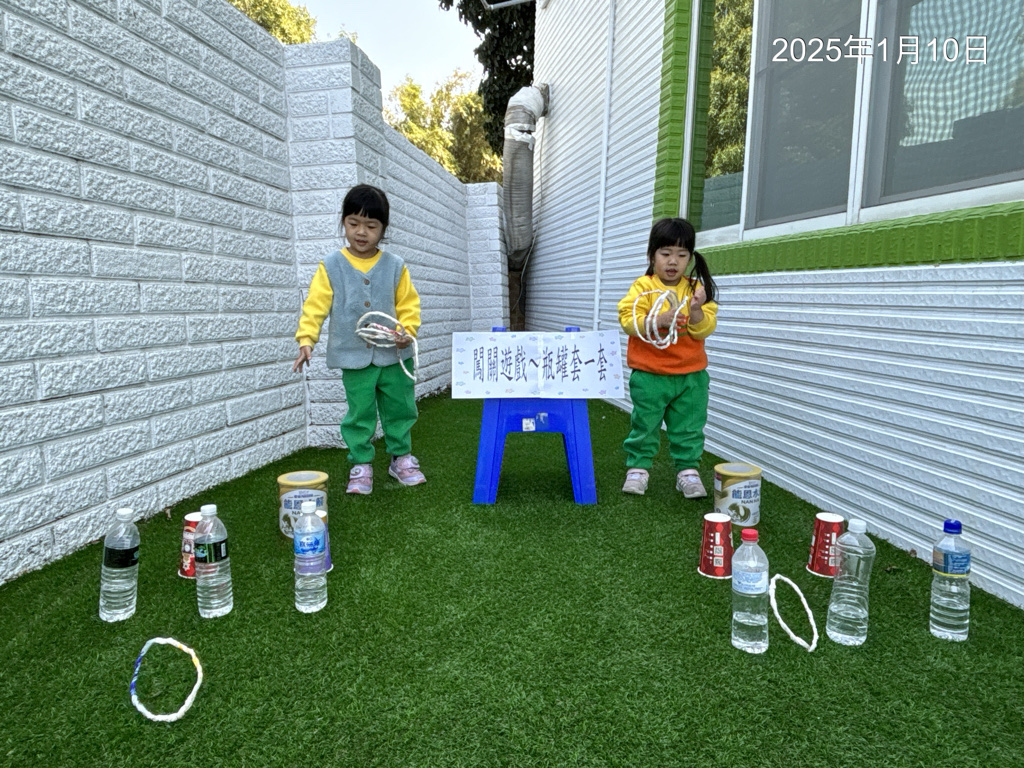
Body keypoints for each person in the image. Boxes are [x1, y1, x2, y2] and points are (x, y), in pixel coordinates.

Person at [292, 184, 426, 494]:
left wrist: (407, 332)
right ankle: (361, 463)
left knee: (401, 408)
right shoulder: (330, 265)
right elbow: (315, 305)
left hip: (394, 355)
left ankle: (401, 458)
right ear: (344, 222)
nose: (361, 232)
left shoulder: (395, 265)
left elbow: (409, 304)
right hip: (353, 356)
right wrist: (306, 339)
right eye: (354, 223)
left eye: (371, 225)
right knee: (359, 413)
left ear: (383, 229)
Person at [617, 218, 718, 497]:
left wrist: (696, 310)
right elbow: (627, 319)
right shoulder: (643, 287)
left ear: (690, 258)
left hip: (691, 376)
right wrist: (658, 320)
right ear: (652, 255)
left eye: (682, 255)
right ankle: (638, 468)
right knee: (645, 424)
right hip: (649, 373)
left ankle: (688, 470)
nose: (673, 261)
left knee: (689, 426)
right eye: (666, 253)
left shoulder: (696, 289)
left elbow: (704, 329)